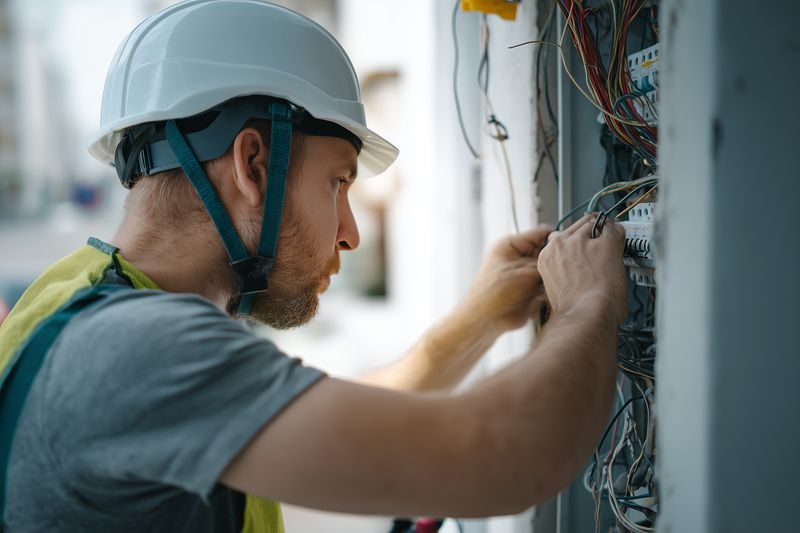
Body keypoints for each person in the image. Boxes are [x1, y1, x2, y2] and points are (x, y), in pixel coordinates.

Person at [0, 1, 628, 531]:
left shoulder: (78, 297)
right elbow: (508, 457)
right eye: (338, 182)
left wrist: (478, 320)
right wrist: (588, 307)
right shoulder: (141, 351)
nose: (351, 232)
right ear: (254, 167)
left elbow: (339, 422)